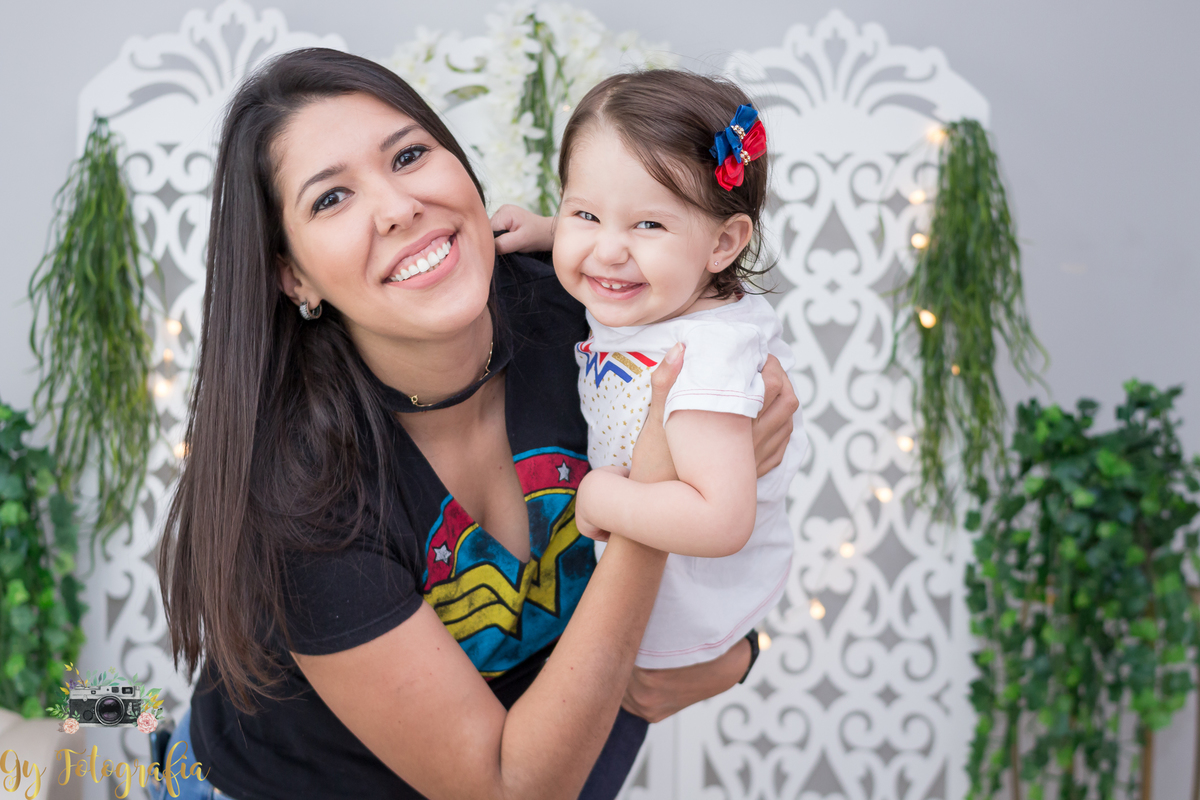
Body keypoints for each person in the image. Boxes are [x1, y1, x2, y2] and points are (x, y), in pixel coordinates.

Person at [154, 49, 798, 800]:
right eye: (331, 199)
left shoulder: (585, 317)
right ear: (292, 275)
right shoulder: (300, 489)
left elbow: (732, 451)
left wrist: (736, 651)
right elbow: (506, 789)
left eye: (410, 154)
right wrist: (651, 517)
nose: (396, 206)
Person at [491, 71, 807, 671]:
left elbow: (721, 520)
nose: (608, 251)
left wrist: (600, 496)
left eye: (649, 225)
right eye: (584, 213)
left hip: (683, 599)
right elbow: (618, 226)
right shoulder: (659, 283)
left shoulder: (705, 354)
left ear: (722, 245)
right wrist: (548, 230)